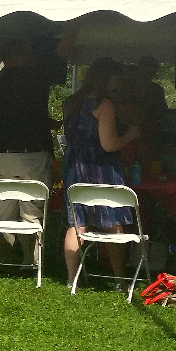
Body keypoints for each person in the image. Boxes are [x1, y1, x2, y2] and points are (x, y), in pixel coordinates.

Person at [0, 35, 70, 262]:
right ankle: (31, 262)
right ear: (20, 55)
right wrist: (72, 30)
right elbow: (59, 59)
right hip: (32, 154)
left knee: (4, 206)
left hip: (1, 155)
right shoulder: (33, 77)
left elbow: (12, 117)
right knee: (32, 208)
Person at [62, 58, 141, 283]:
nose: (118, 84)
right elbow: (108, 144)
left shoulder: (72, 102)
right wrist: (130, 135)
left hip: (74, 165)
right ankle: (119, 279)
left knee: (76, 223)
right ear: (106, 78)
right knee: (112, 222)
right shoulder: (104, 104)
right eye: (116, 79)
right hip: (100, 167)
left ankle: (71, 279)